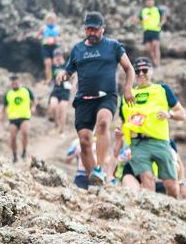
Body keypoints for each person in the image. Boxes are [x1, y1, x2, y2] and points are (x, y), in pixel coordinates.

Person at [57, 11, 135, 186]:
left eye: (95, 29)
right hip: (83, 99)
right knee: (84, 140)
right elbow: (69, 71)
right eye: (88, 29)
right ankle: (95, 180)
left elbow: (129, 68)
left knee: (103, 124)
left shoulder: (114, 46)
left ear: (103, 29)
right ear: (85, 29)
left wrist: (128, 89)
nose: (92, 33)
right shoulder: (78, 49)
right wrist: (63, 74)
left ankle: (100, 168)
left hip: (106, 97)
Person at [120, 57, 186, 198]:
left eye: (144, 70)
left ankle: (173, 212)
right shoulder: (127, 95)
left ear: (151, 71)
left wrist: (169, 114)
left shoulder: (162, 90)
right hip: (138, 143)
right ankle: (153, 214)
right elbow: (122, 121)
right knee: (147, 180)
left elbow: (182, 114)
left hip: (160, 141)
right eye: (137, 71)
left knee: (171, 184)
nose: (141, 74)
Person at [2, 74, 36, 163]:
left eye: (16, 82)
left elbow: (33, 100)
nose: (15, 84)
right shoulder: (8, 93)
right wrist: (2, 116)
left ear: (19, 82)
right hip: (13, 118)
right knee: (12, 137)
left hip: (25, 116)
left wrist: (33, 107)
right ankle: (14, 155)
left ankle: (24, 151)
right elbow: (4, 106)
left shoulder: (26, 90)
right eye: (13, 83)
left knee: (25, 132)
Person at [138, 0, 168, 67]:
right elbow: (140, 19)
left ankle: (158, 63)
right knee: (148, 48)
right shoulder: (143, 10)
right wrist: (142, 21)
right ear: (146, 3)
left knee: (155, 46)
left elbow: (164, 16)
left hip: (155, 30)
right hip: (147, 31)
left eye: (151, 2)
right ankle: (154, 61)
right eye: (148, 2)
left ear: (153, 2)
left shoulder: (157, 9)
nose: (150, 3)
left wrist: (161, 23)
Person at [49, 49, 72, 135]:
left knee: (62, 110)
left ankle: (61, 131)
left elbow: (71, 75)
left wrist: (73, 86)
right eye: (56, 56)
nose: (57, 57)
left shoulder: (66, 64)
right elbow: (51, 77)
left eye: (59, 55)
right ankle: (56, 124)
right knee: (53, 106)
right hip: (56, 89)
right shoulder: (53, 66)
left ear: (61, 56)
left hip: (65, 90)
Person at [38, 13, 61, 83]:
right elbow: (39, 36)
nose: (50, 21)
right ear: (46, 20)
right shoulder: (43, 27)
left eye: (52, 19)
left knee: (56, 62)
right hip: (46, 46)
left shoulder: (58, 28)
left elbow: (61, 37)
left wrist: (57, 39)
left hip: (55, 46)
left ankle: (57, 77)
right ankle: (49, 79)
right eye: (49, 19)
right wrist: (43, 38)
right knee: (48, 63)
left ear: (55, 20)